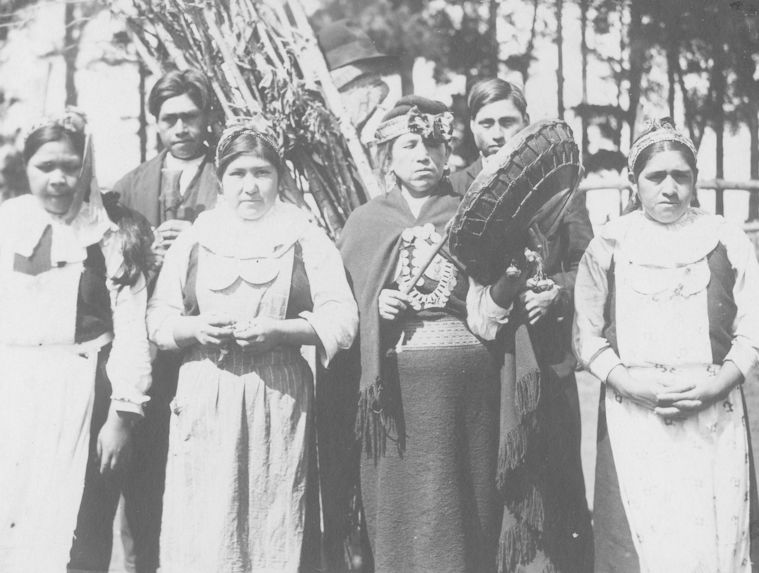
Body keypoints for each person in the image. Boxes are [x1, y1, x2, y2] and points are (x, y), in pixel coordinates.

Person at [335, 95, 543, 572]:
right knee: (402, 513)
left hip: (467, 394)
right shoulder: (366, 224)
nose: (423, 156)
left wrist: (508, 284)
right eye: (409, 145)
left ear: (448, 151)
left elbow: (487, 319)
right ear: (387, 156)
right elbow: (343, 316)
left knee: (467, 510)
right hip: (398, 402)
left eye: (433, 144)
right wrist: (375, 309)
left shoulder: (472, 216)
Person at [146, 118, 357, 572]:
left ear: (279, 177)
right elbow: (159, 319)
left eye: (261, 172)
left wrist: (281, 332)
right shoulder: (196, 237)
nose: (250, 186)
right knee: (202, 520)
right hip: (205, 392)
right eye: (238, 173)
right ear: (221, 179)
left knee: (273, 515)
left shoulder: (304, 237)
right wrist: (195, 329)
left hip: (277, 394)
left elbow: (343, 319)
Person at [574, 118, 759, 572]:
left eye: (682, 176)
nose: (670, 188)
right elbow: (587, 336)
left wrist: (716, 388)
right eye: (656, 177)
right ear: (634, 183)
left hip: (715, 414)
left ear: (694, 179)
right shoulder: (608, 245)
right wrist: (636, 388)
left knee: (711, 543)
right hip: (633, 416)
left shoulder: (727, 239)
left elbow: (753, 330)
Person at [0, 109, 152, 572]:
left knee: (81, 529)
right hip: (15, 392)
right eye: (46, 167)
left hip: (85, 394)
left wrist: (122, 417)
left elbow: (131, 330)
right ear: (25, 167)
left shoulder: (110, 235)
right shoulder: (7, 223)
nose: (59, 179)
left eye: (70, 166)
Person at [453, 77, 594, 571]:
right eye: (486, 123)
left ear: (525, 121)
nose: (496, 133)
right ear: (471, 128)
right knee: (493, 482)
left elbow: (587, 265)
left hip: (549, 356)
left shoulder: (559, 184)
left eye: (507, 121)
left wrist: (558, 292)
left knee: (558, 485)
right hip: (486, 361)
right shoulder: (458, 188)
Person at [112, 68, 220, 573]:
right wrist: (145, 254)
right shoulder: (130, 185)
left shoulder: (231, 176)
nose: (180, 127)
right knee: (145, 478)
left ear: (206, 118)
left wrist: (199, 243)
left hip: (210, 343)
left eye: (190, 117)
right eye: (169, 118)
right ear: (155, 124)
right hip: (148, 352)